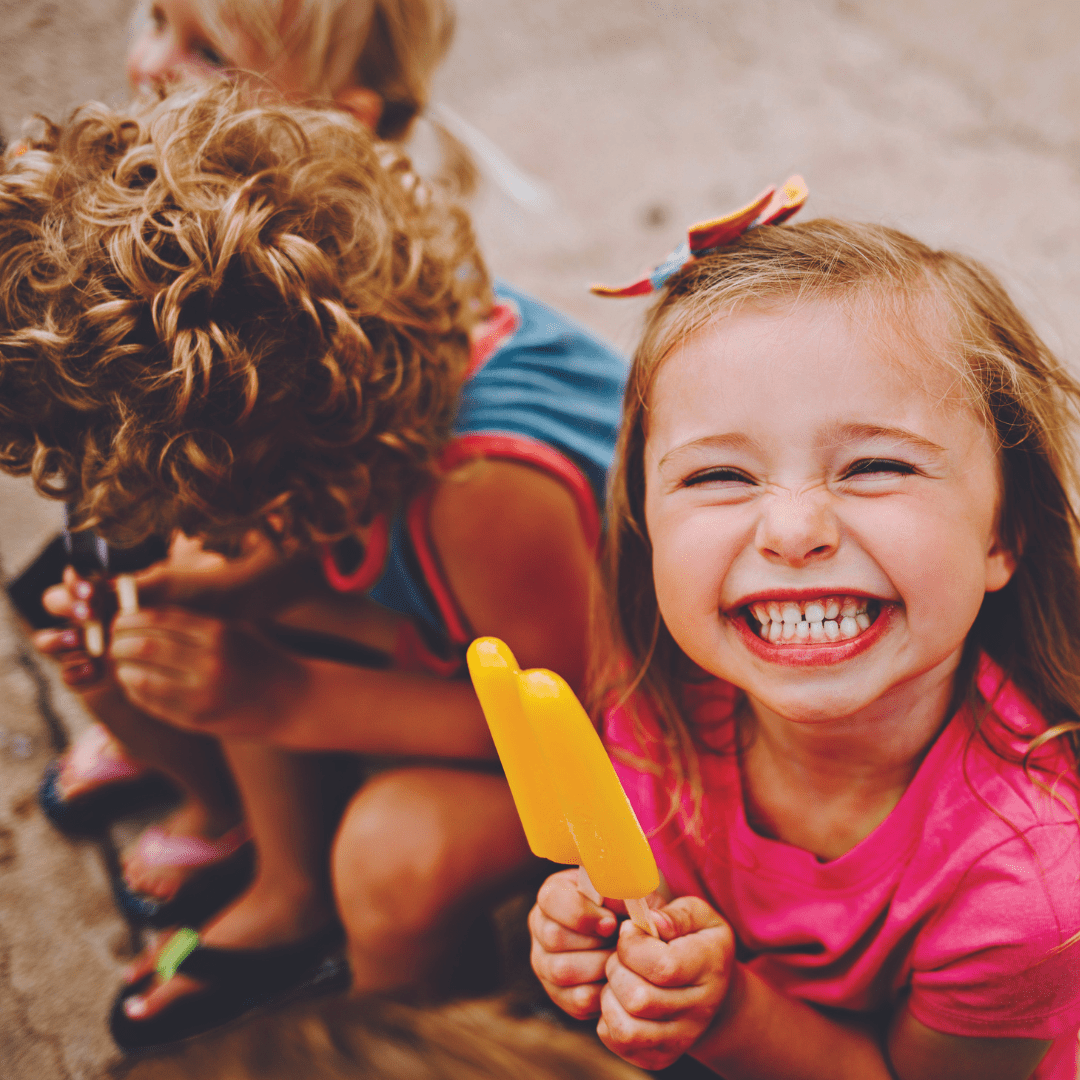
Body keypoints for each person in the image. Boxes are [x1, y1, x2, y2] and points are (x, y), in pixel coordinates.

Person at [0, 79, 625, 1048]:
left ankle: (421, 1037)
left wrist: (285, 696)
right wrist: (246, 585)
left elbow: (583, 724)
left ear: (279, 446)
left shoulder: (486, 492)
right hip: (500, 634)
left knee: (394, 855)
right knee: (214, 594)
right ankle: (290, 888)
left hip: (657, 731)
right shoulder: (367, 339)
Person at [527, 203, 1080, 1079]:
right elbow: (642, 899)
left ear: (1003, 533)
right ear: (644, 526)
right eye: (718, 474)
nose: (793, 529)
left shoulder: (1032, 886)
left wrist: (728, 1010)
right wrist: (595, 927)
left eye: (875, 465)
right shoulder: (650, 709)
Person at [28, 0, 470, 878]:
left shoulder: (362, 305)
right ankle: (199, 777)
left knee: (190, 575)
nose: (151, 62)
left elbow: (592, 713)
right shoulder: (221, 223)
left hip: (440, 611)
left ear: (340, 116)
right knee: (121, 581)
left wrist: (283, 691)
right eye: (153, 17)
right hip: (354, 548)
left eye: (208, 52)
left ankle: (278, 868)